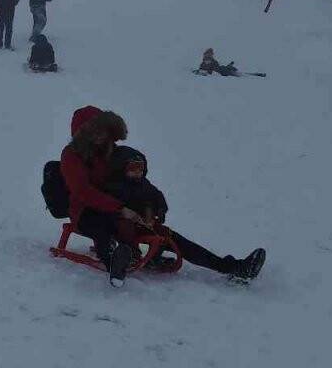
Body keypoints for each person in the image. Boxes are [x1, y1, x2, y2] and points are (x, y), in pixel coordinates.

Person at [59, 106, 265, 287]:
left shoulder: (112, 152)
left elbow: (138, 184)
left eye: (102, 130)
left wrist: (152, 207)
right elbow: (82, 191)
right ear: (82, 134)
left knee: (167, 235)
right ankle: (115, 263)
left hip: (120, 211)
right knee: (101, 229)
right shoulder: (71, 155)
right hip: (86, 212)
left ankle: (232, 267)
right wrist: (121, 209)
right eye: (94, 131)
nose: (100, 136)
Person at [104, 145, 266, 282]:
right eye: (133, 168)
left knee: (177, 241)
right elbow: (111, 210)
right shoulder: (114, 186)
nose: (138, 172)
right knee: (128, 229)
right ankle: (127, 257)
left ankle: (233, 268)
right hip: (122, 227)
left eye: (141, 167)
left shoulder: (143, 184)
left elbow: (157, 197)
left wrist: (158, 211)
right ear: (122, 168)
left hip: (144, 226)